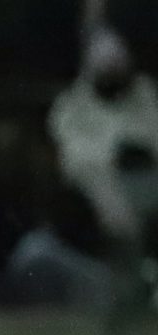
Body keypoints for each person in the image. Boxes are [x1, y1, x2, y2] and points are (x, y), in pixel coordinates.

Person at [49, 26, 158, 257]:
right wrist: (113, 154)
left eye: (117, 67)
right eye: (106, 69)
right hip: (97, 204)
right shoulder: (72, 105)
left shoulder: (146, 95)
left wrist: (143, 151)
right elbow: (69, 153)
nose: (112, 72)